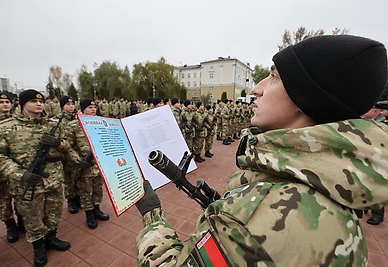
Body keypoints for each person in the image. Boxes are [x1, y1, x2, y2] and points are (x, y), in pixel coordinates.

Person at [134, 35, 388, 266]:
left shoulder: (249, 220)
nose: (256, 88)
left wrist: (152, 217)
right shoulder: (335, 178)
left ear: (307, 97)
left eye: (275, 77)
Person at [0, 89, 78, 266]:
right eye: (33, 101)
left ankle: (51, 238)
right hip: (26, 183)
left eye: (41, 101)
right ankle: (38, 247)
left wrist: (59, 143)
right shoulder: (5, 127)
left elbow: (67, 146)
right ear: (22, 104)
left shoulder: (53, 124)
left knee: (53, 213)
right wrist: (20, 174)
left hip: (53, 180)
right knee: (32, 218)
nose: (39, 104)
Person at [66, 98, 109, 229]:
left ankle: (96, 209)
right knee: (85, 191)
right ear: (83, 109)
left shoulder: (101, 123)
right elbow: (68, 147)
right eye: (90, 107)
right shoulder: (74, 125)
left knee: (97, 188)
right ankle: (89, 214)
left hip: (98, 164)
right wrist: (78, 161)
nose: (93, 109)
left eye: (95, 107)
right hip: (84, 165)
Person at [0, 92, 25, 243]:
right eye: (1, 102)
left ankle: (23, 222)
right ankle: (10, 226)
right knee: (3, 200)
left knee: (21, 198)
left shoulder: (18, 120)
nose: (5, 104)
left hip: (18, 168)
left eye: (7, 102)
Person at [361, 101, 388, 225]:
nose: (380, 112)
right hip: (369, 156)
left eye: (382, 110)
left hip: (381, 159)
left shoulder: (383, 124)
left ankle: (378, 214)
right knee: (365, 183)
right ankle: (365, 206)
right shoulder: (375, 122)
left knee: (376, 186)